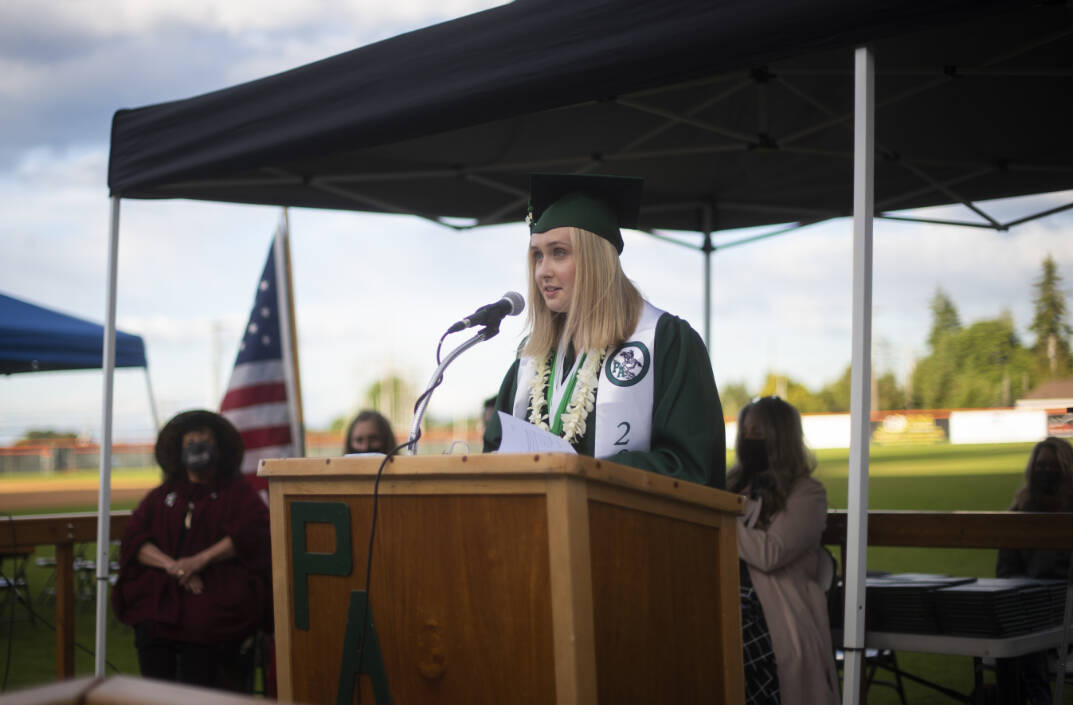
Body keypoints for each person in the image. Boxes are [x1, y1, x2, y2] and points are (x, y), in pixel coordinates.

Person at [482, 173, 725, 487]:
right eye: (538, 255)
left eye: (559, 252)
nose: (542, 271)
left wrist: (584, 472)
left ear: (596, 259)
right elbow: (495, 446)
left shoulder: (664, 342)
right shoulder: (532, 357)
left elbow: (692, 468)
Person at [112, 410, 272, 692]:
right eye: (190, 442)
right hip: (165, 589)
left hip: (217, 593)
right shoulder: (161, 496)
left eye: (205, 440)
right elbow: (135, 538)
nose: (197, 446)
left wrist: (199, 561)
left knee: (202, 624)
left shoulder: (238, 493)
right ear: (179, 450)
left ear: (219, 448)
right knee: (150, 623)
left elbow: (251, 532)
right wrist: (173, 567)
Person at [730, 396, 840, 704]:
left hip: (773, 613)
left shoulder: (807, 494)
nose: (749, 439)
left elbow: (771, 553)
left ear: (781, 438)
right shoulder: (732, 485)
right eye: (746, 432)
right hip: (725, 603)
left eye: (758, 432)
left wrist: (718, 522)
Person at [994, 436, 1072, 704]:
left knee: (1022, 630)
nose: (1046, 471)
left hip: (1064, 612)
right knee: (1018, 627)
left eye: (1053, 466)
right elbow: (1005, 571)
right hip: (1028, 609)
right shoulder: (1020, 511)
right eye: (1041, 465)